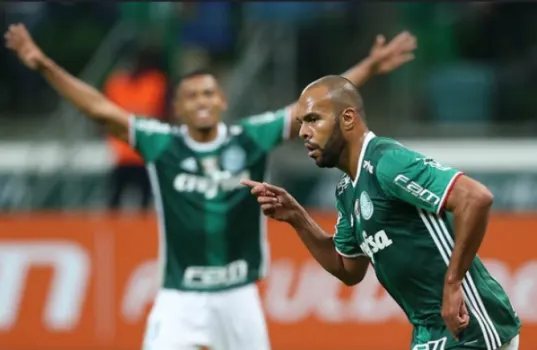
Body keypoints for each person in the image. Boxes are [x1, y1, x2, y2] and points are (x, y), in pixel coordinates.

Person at [5, 23, 417, 350]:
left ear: (221, 101)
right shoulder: (161, 143)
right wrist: (42, 63)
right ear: (178, 107)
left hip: (238, 294)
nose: (202, 100)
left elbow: (315, 107)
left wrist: (369, 67)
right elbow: (98, 108)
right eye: (192, 96)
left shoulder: (249, 137)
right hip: (179, 294)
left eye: (209, 93)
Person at [242, 75, 521, 350]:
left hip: (469, 326)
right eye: (301, 123)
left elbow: (475, 198)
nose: (303, 132)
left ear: (348, 119)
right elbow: (348, 268)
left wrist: (453, 282)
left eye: (314, 119)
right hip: (430, 332)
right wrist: (297, 217)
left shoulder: (387, 162)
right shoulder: (346, 190)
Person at [104, 45, 167, 210]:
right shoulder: (116, 83)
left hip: (144, 154)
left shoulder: (155, 83)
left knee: (145, 202)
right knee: (114, 201)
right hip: (123, 153)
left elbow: (163, 115)